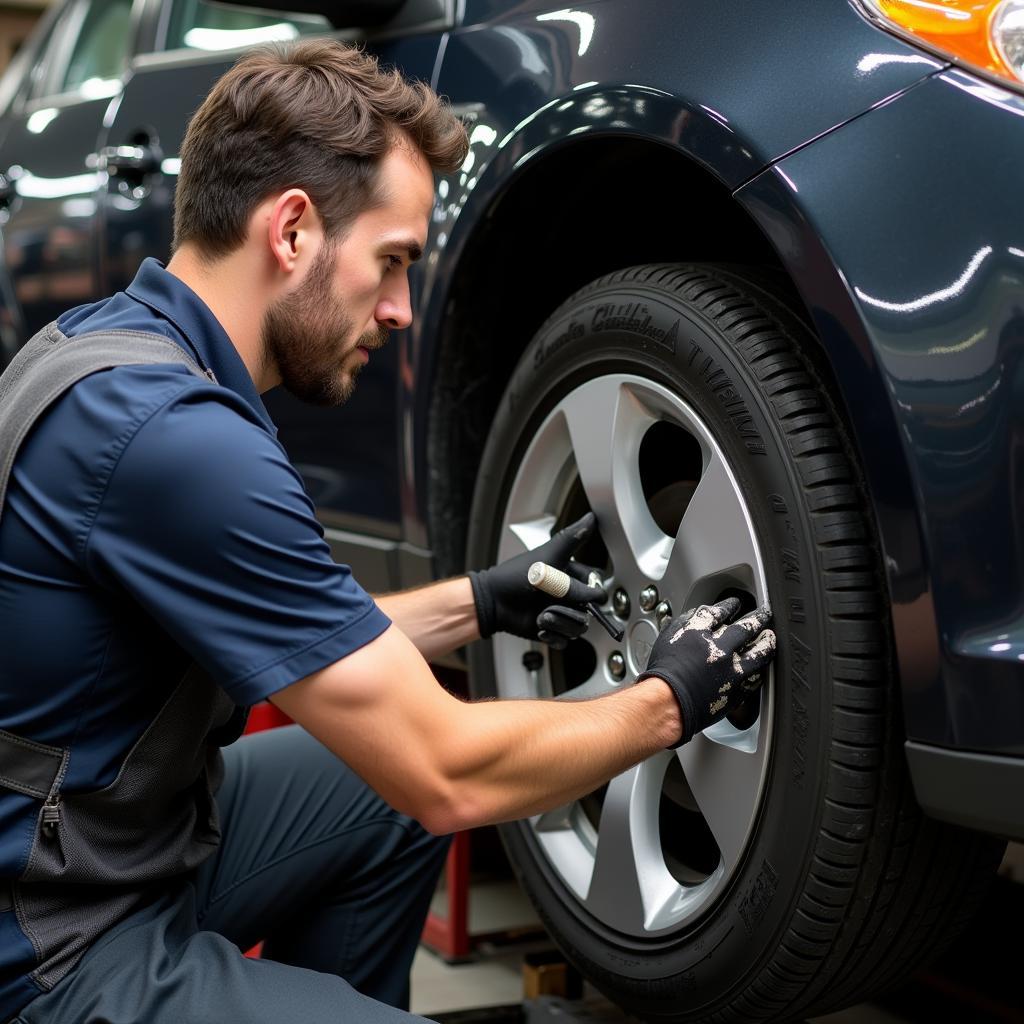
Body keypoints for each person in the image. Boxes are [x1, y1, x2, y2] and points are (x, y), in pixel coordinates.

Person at [0, 40, 775, 1024]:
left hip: (112, 842)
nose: (403, 308)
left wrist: (486, 597)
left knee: (374, 790)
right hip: (50, 948)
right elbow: (447, 770)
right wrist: (670, 696)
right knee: (419, 778)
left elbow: (314, 637)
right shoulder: (174, 440)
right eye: (393, 261)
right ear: (291, 230)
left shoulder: (105, 352)